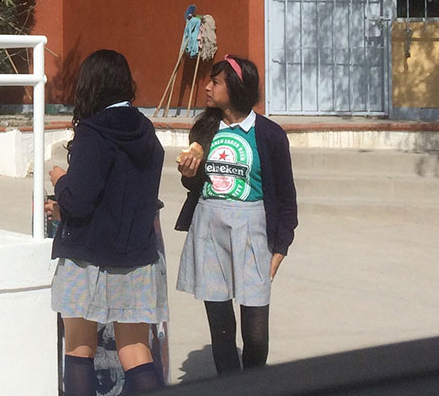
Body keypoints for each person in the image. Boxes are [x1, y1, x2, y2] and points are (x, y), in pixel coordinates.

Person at [46, 50, 168, 395]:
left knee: (79, 349)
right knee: (136, 352)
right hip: (137, 257)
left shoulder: (92, 133)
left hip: (88, 256)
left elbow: (79, 200)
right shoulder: (146, 131)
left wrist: (59, 180)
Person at [173, 54, 298, 375]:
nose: (207, 87)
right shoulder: (204, 129)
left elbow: (285, 197)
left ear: (237, 87)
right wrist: (189, 173)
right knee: (222, 328)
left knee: (255, 333)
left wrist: (281, 246)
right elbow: (195, 185)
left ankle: (253, 385)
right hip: (209, 228)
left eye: (215, 82)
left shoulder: (269, 134)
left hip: (253, 230)